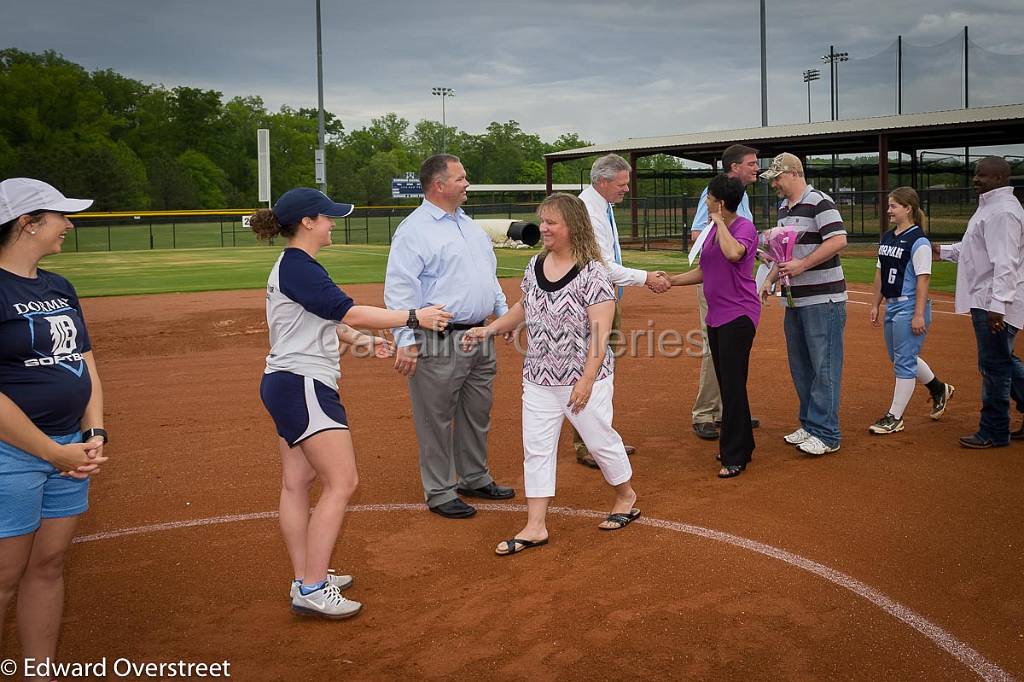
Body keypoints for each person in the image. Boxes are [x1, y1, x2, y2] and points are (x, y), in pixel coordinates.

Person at [252, 187, 451, 619]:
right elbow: (348, 312)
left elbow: (328, 323)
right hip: (304, 384)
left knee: (297, 483)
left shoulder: (294, 266)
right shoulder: (300, 267)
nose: (332, 223)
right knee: (343, 482)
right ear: (307, 222)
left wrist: (365, 343)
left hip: (285, 381)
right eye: (326, 217)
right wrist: (414, 316)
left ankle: (306, 575)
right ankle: (312, 586)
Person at [462, 193, 639, 555]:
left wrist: (587, 379)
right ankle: (535, 525)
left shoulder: (594, 273)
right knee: (537, 449)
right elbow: (524, 307)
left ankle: (625, 495)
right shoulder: (534, 264)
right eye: (542, 221)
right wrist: (490, 330)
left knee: (599, 440)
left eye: (551, 222)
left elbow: (600, 333)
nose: (543, 228)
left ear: (571, 226)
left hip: (583, 377)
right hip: (539, 375)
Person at [0, 178, 110, 671]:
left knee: (47, 567)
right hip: (14, 454)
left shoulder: (58, 286)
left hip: (69, 451)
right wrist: (50, 451)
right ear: (27, 223)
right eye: (59, 216)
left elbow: (84, 361)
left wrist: (93, 433)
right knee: (4, 576)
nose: (69, 224)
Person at [384, 155, 516, 519]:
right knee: (435, 417)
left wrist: (503, 317)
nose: (467, 184)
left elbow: (488, 278)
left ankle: (473, 477)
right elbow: (399, 289)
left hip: (479, 335)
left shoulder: (470, 227)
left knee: (477, 412)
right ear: (439, 185)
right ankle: (440, 489)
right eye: (461, 178)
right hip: (437, 337)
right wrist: (405, 341)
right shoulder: (414, 230)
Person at [573, 153, 670, 467]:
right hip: (591, 302)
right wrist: (646, 278)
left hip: (601, 298)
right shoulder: (588, 209)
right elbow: (599, 264)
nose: (626, 189)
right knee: (594, 370)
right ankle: (591, 444)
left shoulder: (601, 207)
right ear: (603, 181)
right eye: (622, 183)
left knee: (600, 369)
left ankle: (597, 438)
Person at [666, 175, 760, 477]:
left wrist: (719, 222)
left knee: (732, 385)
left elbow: (734, 254)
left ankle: (734, 455)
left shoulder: (743, 227)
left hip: (739, 315)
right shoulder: (710, 231)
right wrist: (671, 281)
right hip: (717, 316)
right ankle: (743, 444)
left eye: (708, 198)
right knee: (728, 382)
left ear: (720, 202)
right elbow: (705, 271)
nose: (704, 203)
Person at [759, 153, 848, 456]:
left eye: (777, 178)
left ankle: (827, 433)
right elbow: (783, 253)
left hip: (824, 299)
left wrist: (802, 265)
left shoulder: (820, 201)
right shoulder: (784, 208)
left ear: (794, 173)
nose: (774, 184)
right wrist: (771, 277)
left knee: (824, 366)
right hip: (796, 299)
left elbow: (837, 240)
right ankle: (810, 424)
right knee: (801, 366)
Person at [933, 157, 1024, 448]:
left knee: (994, 366)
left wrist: (998, 305)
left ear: (999, 178)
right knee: (1004, 361)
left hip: (993, 303)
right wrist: (941, 251)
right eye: (976, 174)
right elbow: (974, 251)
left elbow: (1006, 263)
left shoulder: (1002, 212)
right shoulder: (990, 208)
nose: (976, 179)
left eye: (982, 175)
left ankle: (995, 430)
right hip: (988, 299)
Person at [688, 145, 763, 441]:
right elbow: (699, 233)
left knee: (732, 353)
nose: (756, 168)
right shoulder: (715, 195)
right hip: (718, 283)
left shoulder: (740, 199)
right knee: (715, 348)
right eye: (751, 163)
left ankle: (731, 411)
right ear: (734, 168)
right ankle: (706, 413)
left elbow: (740, 241)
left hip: (736, 286)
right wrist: (724, 229)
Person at [868, 187, 955, 434]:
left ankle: (895, 417)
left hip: (909, 305)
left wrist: (918, 314)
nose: (889, 211)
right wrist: (875, 303)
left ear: (908, 208)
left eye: (894, 206)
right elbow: (880, 273)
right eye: (889, 206)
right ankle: (939, 388)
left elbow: (923, 279)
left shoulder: (919, 241)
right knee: (899, 358)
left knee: (904, 361)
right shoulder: (887, 237)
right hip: (892, 305)